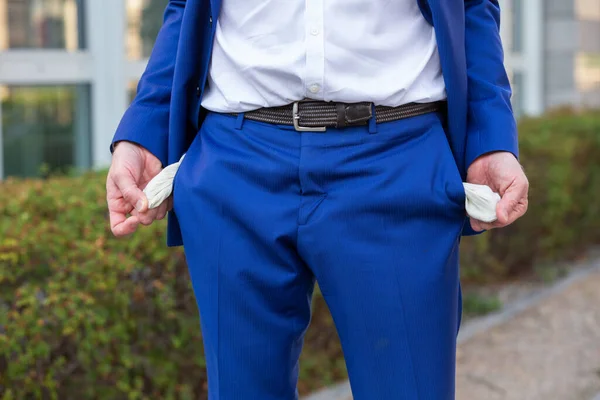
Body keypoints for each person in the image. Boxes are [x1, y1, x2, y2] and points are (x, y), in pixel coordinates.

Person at [106, 0, 529, 398]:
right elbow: (186, 7)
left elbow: (472, 6)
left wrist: (491, 139)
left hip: (394, 160)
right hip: (233, 162)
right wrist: (145, 130)